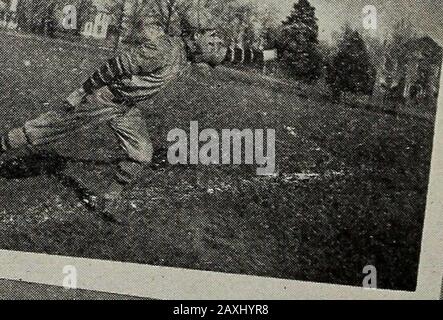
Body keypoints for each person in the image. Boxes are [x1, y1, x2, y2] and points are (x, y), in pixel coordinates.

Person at [0, 22, 227, 223]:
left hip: (125, 107)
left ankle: (107, 200)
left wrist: (262, 53)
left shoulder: (187, 54)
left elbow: (229, 55)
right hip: (103, 99)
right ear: (195, 36)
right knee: (38, 132)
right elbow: (116, 66)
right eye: (211, 40)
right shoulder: (164, 50)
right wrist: (80, 92)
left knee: (142, 154)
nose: (214, 46)